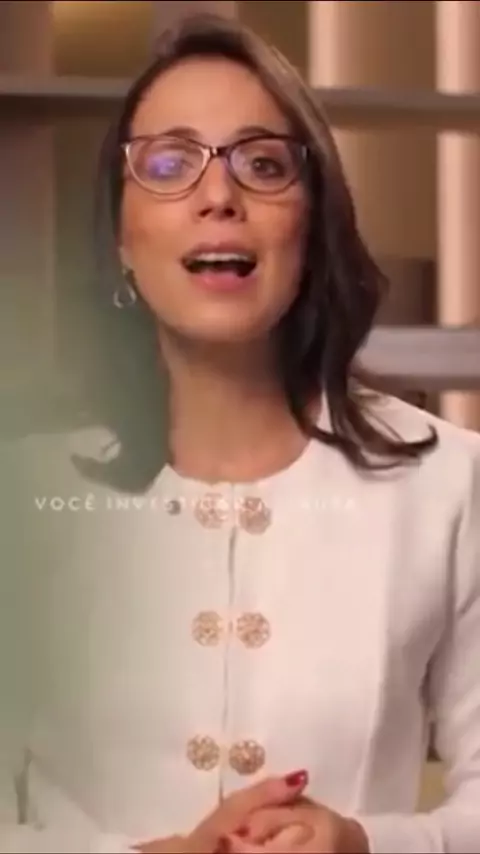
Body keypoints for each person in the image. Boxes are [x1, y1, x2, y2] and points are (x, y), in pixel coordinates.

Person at [1, 11, 479, 854]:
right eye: (168, 164)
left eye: (262, 164)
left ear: (314, 226)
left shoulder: (452, 485)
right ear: (120, 237)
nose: (218, 196)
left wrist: (364, 844)